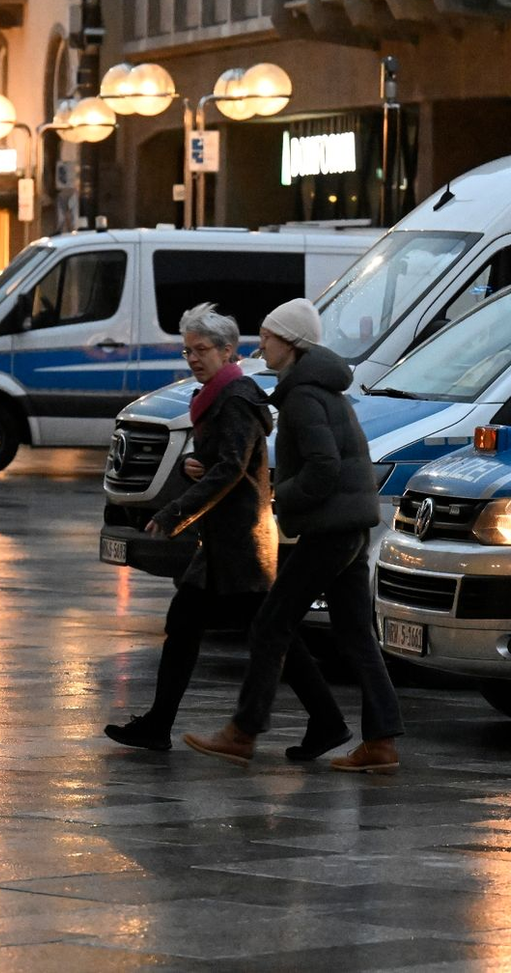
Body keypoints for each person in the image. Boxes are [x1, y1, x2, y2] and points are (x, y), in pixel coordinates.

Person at [103, 302, 345, 755]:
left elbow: (232, 468)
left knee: (272, 635)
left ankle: (326, 721)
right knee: (201, 626)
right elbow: (223, 463)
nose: (193, 358)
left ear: (228, 351)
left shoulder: (236, 398)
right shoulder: (217, 396)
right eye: (187, 351)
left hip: (239, 543)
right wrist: (199, 465)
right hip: (221, 542)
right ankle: (158, 724)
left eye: (202, 350)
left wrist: (176, 510)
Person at [184, 297, 404, 773]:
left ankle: (243, 733)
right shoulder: (319, 389)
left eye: (268, 337)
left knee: (270, 623)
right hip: (347, 529)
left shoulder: (304, 396)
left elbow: (324, 468)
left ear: (293, 343)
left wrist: (283, 497)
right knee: (354, 635)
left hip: (330, 531)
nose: (260, 346)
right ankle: (381, 742)